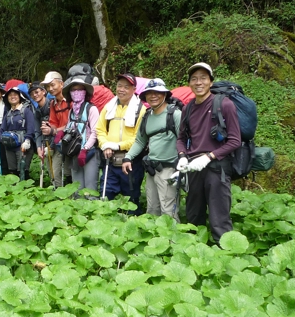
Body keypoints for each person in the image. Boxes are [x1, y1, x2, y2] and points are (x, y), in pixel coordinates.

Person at [176, 62, 241, 242]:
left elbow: (235, 140)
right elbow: (181, 138)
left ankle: (226, 253)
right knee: (193, 215)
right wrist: (182, 156)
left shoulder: (224, 105)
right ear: (189, 83)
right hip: (194, 168)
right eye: (194, 79)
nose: (199, 82)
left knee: (219, 218)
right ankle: (193, 252)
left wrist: (209, 156)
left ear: (211, 82)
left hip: (217, 168)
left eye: (203, 78)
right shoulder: (187, 108)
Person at [121, 78, 181, 220]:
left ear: (165, 94)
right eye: (149, 93)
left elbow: (183, 141)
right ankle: (155, 239)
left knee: (168, 211)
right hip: (152, 170)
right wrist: (128, 157)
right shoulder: (147, 116)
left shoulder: (175, 114)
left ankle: (174, 240)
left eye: (157, 92)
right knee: (152, 209)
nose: (153, 96)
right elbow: (140, 141)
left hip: (169, 169)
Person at [96, 73, 146, 213]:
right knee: (105, 195)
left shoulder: (140, 109)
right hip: (109, 160)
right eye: (119, 86)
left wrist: (117, 146)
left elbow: (139, 138)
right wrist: (105, 145)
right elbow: (100, 129)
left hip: (131, 161)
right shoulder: (109, 106)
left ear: (134, 89)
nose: (121, 90)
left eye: (126, 87)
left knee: (131, 198)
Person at [62, 76, 100, 192]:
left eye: (80, 89)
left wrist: (85, 149)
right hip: (74, 152)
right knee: (77, 188)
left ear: (85, 92)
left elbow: (95, 131)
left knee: (90, 187)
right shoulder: (71, 111)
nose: (76, 92)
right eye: (73, 90)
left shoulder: (91, 109)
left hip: (89, 152)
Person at [0, 86, 36, 179]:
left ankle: (25, 191)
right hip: (10, 146)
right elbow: (2, 129)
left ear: (20, 97)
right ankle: (15, 191)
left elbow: (31, 128)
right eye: (10, 95)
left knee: (22, 170)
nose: (12, 96)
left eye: (15, 94)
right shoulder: (8, 114)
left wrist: (27, 140)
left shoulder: (26, 111)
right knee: (12, 172)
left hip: (23, 145)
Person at [40, 72, 72, 187]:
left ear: (61, 84)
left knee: (67, 170)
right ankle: (59, 191)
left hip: (72, 141)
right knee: (53, 168)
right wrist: (49, 128)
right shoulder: (53, 103)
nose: (50, 88)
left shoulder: (71, 100)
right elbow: (54, 123)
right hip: (59, 141)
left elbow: (72, 123)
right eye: (48, 86)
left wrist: (53, 131)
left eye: (52, 85)